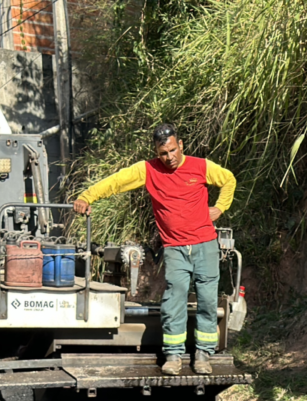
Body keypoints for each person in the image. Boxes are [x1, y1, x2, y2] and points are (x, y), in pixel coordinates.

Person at [73, 123, 236, 376]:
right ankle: (173, 355)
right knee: (175, 299)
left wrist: (220, 207)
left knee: (206, 299)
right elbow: (115, 182)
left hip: (205, 245)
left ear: (180, 145)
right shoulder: (147, 170)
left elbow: (228, 180)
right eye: (163, 153)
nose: (169, 157)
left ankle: (203, 353)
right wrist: (87, 196)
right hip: (175, 248)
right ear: (156, 151)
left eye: (172, 150)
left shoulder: (201, 166)